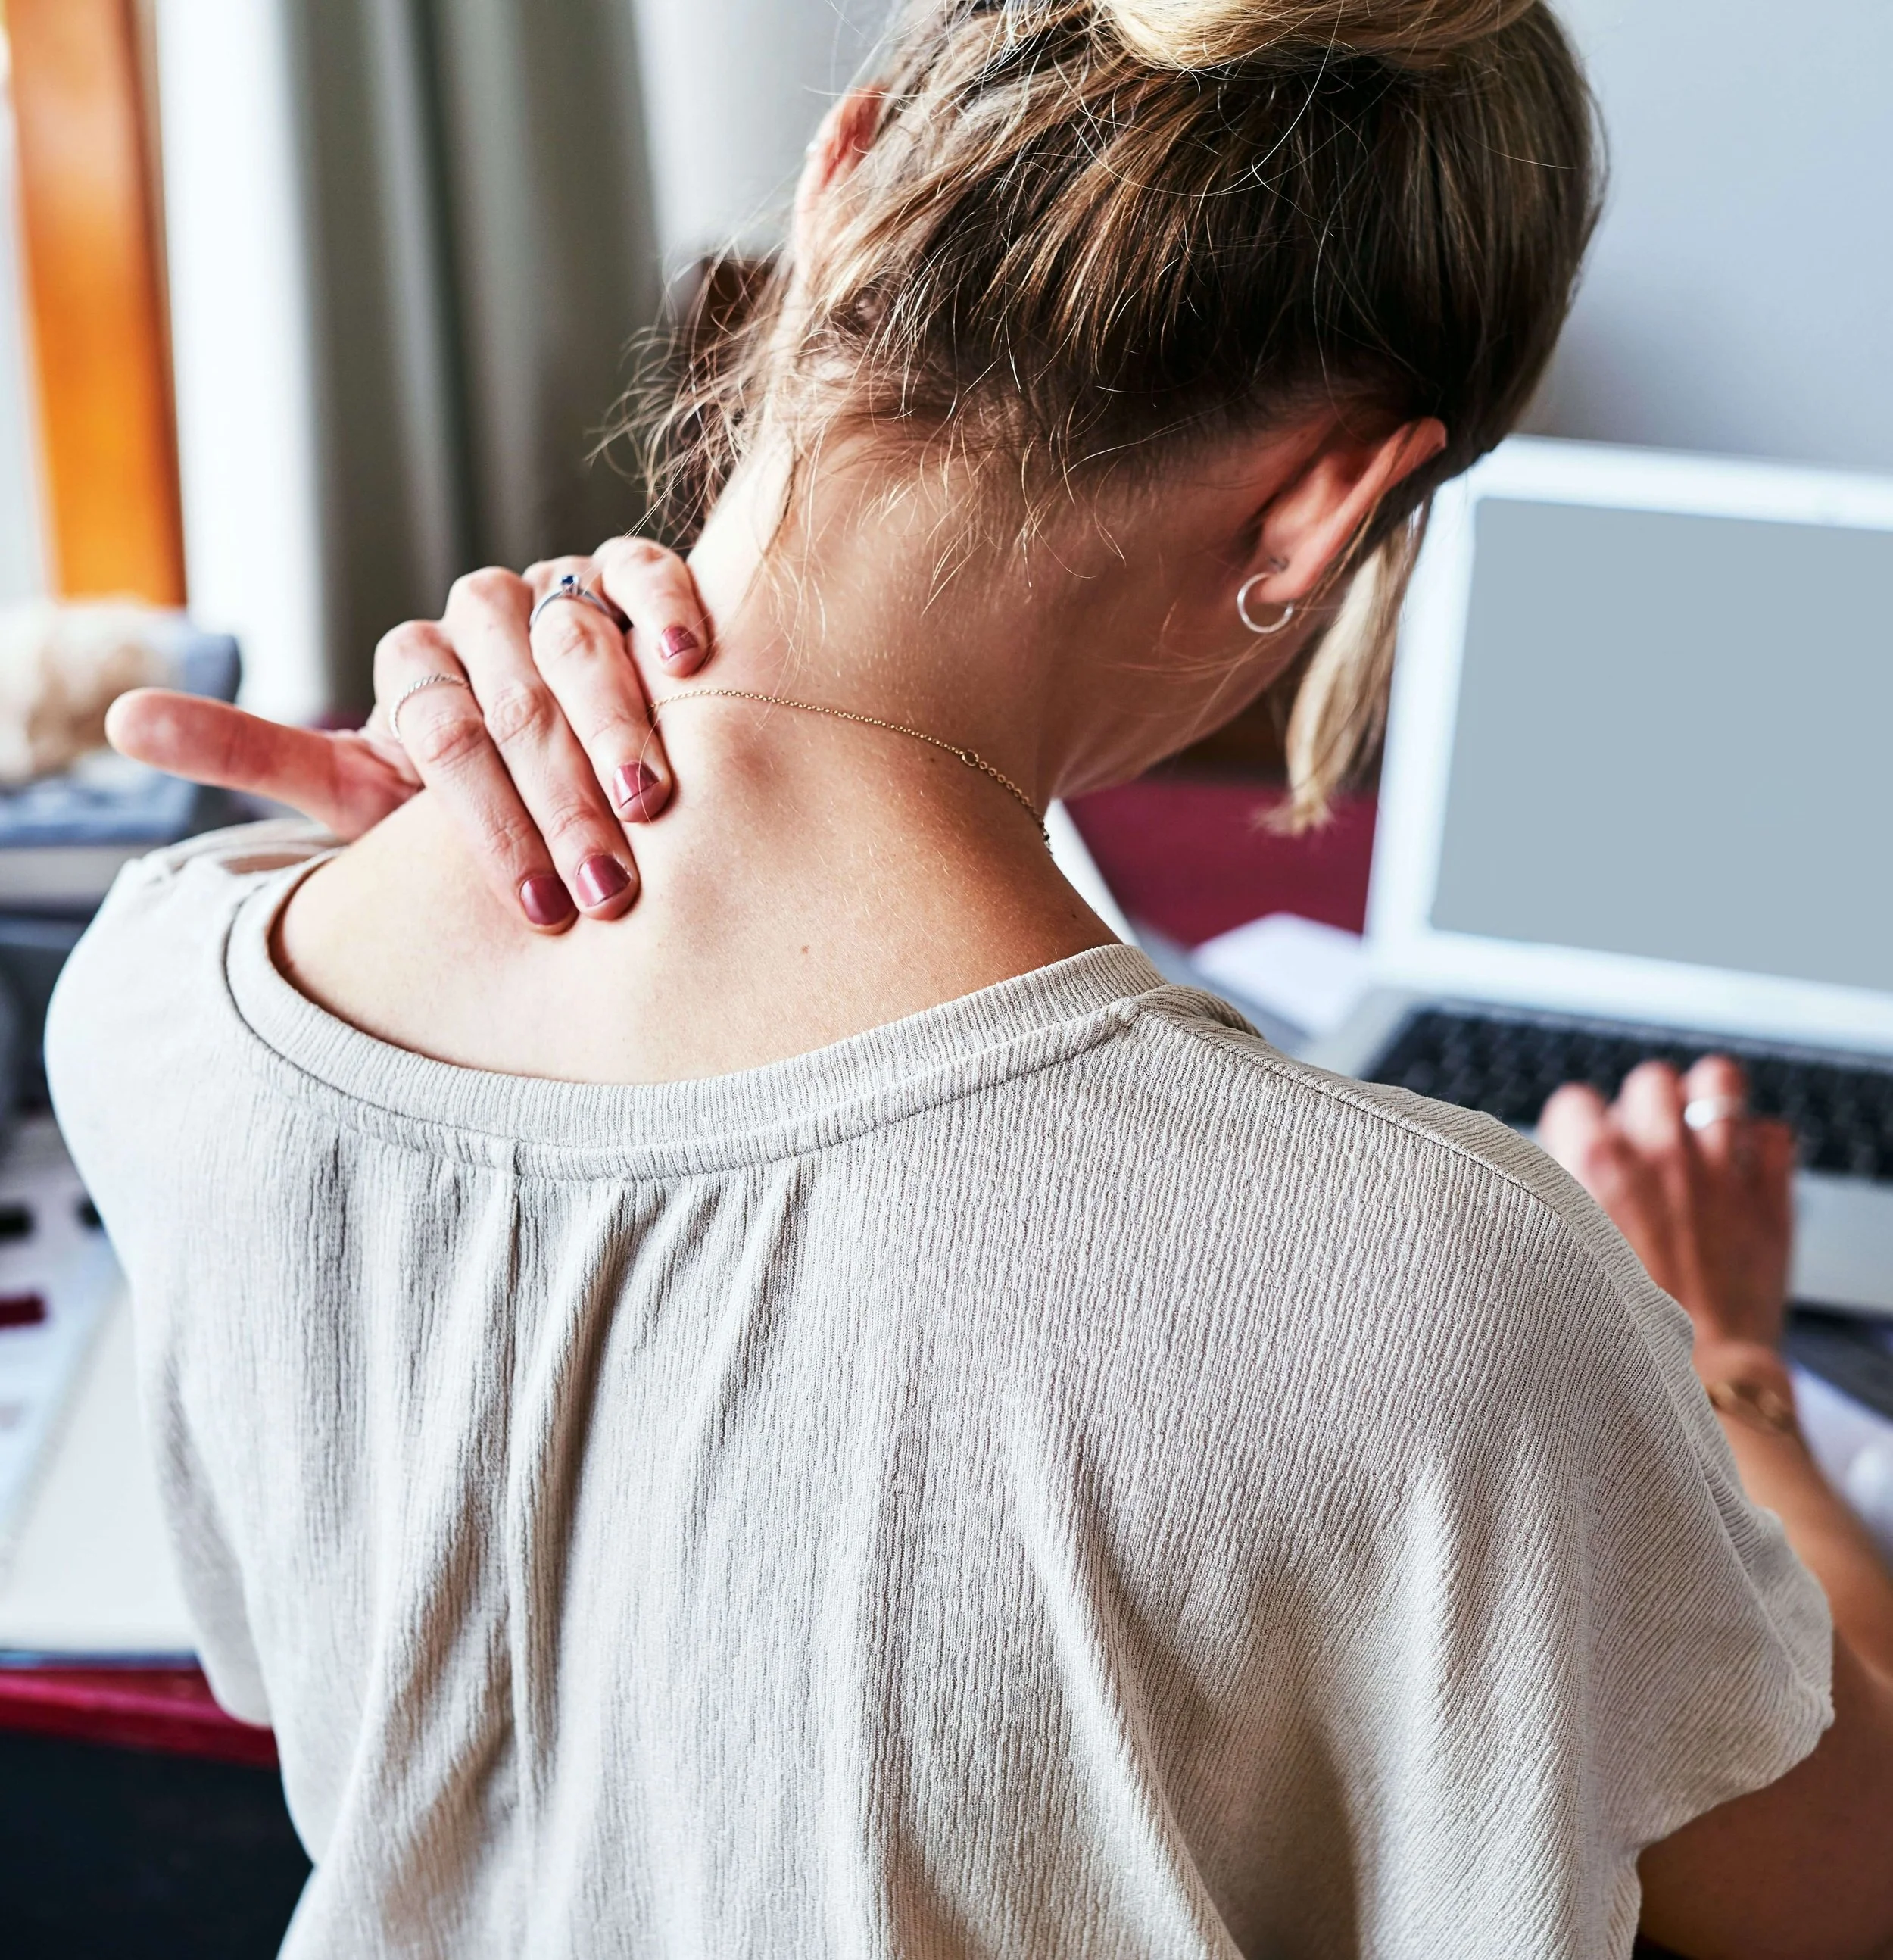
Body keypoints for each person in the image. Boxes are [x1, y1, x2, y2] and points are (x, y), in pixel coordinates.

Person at [45, 2, 1893, 1954]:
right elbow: (1843, 1886)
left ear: (836, 182)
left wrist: (382, 870)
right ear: (1326, 505)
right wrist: (1723, 1368)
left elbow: (307, 1672)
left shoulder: (172, 993)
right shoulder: (1449, 1305)